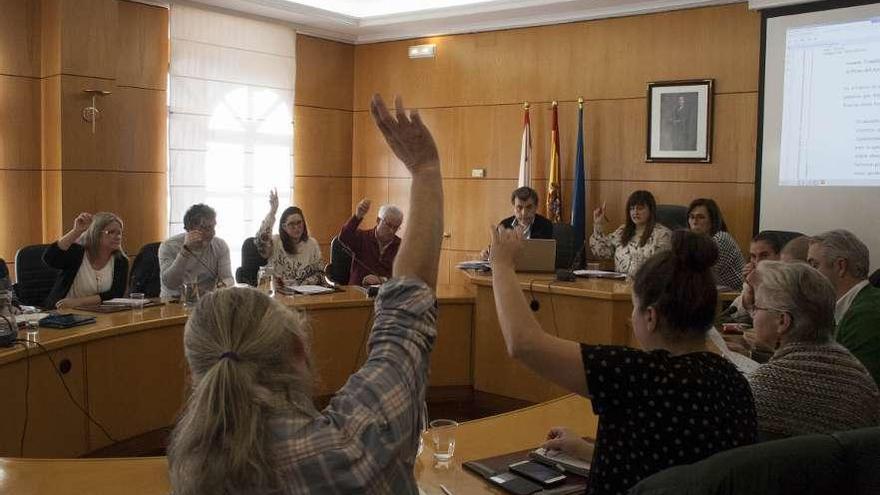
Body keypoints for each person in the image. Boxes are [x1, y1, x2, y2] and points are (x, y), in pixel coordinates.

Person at [167, 94, 444, 494]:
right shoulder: (347, 448)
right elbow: (405, 323)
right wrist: (425, 169)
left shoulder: (187, 465)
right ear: (299, 351)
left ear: (196, 374)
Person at [490, 228, 757, 495]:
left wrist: (501, 264)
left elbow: (524, 343)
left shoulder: (638, 375)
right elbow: (669, 465)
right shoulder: (735, 382)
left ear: (650, 317)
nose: (632, 317)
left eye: (634, 306)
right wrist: (586, 450)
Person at [747, 261, 880, 440]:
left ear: (782, 321)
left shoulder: (763, 386)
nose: (753, 314)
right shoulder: (857, 372)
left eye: (757, 307)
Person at [808, 230, 880, 385]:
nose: (809, 275)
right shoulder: (853, 305)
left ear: (841, 266)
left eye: (814, 265)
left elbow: (852, 387)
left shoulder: (865, 314)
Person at [43, 212, 129, 309]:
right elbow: (50, 258)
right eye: (111, 232)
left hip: (100, 313)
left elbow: (115, 293)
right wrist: (76, 231)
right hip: (64, 312)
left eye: (119, 233)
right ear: (96, 233)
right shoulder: (77, 252)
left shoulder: (120, 260)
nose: (117, 237)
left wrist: (79, 302)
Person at [158, 204, 234, 300]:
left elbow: (228, 278)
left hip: (207, 301)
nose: (212, 233)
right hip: (174, 302)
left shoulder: (220, 245)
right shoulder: (168, 246)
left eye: (213, 227)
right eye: (206, 228)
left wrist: (222, 286)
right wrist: (185, 251)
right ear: (190, 229)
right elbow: (170, 283)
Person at [590, 190, 672, 276]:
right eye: (632, 208)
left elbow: (663, 268)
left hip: (647, 285)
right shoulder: (622, 231)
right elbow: (602, 252)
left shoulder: (663, 234)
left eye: (640, 208)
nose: (635, 212)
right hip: (619, 285)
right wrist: (598, 224)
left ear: (651, 210)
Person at [254, 190, 324, 285]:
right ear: (284, 227)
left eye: (299, 223)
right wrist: (272, 212)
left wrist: (304, 284)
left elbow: (319, 273)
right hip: (278, 292)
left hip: (304, 294)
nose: (296, 228)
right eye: (291, 224)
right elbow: (261, 242)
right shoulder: (275, 242)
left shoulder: (312, 243)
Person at [721, 231, 787, 324]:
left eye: (764, 255)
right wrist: (750, 290)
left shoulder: (788, 279)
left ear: (780, 256)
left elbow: (771, 321)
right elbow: (735, 315)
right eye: (753, 256)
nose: (757, 261)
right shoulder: (754, 276)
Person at [338, 199, 403, 286]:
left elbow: (405, 276)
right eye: (389, 225)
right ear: (378, 220)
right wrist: (357, 216)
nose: (391, 231)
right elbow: (344, 237)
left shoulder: (401, 246)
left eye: (396, 227)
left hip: (387, 293)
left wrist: (382, 280)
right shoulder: (362, 237)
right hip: (359, 291)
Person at [687, 198, 744, 291]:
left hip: (732, 298)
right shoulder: (694, 243)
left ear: (712, 221)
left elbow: (701, 274)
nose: (694, 222)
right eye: (691, 217)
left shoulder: (720, 238)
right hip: (713, 294)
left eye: (701, 217)